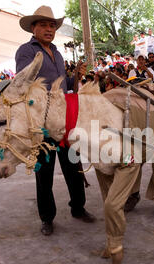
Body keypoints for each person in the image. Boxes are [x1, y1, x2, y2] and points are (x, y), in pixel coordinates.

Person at [16, 5, 94, 236]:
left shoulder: (58, 53)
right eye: (44, 25)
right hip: (42, 123)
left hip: (65, 121)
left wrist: (76, 76)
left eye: (52, 25)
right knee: (45, 173)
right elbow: (24, 81)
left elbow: (66, 86)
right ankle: (47, 218)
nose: (49, 29)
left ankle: (78, 208)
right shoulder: (26, 51)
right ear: (34, 28)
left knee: (74, 167)